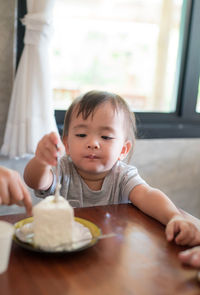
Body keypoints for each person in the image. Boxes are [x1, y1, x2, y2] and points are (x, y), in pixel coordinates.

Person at [24, 90, 200, 246]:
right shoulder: (63, 169)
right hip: (65, 246)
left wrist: (173, 217)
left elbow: (147, 195)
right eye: (81, 134)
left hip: (110, 248)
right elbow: (36, 181)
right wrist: (41, 161)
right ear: (67, 145)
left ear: (123, 150)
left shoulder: (122, 176)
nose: (92, 143)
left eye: (106, 137)